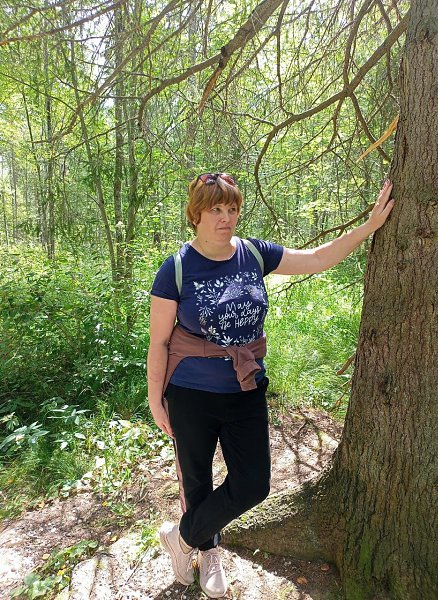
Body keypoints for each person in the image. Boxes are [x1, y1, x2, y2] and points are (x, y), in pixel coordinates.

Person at [147, 173, 394, 598]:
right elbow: (159, 342)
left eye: (232, 209)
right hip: (189, 392)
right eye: (215, 209)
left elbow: (317, 258)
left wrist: (369, 227)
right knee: (196, 479)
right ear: (196, 214)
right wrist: (155, 399)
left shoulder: (254, 254)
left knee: (253, 484)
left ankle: (182, 537)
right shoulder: (177, 269)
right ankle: (207, 550)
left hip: (245, 386)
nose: (225, 218)